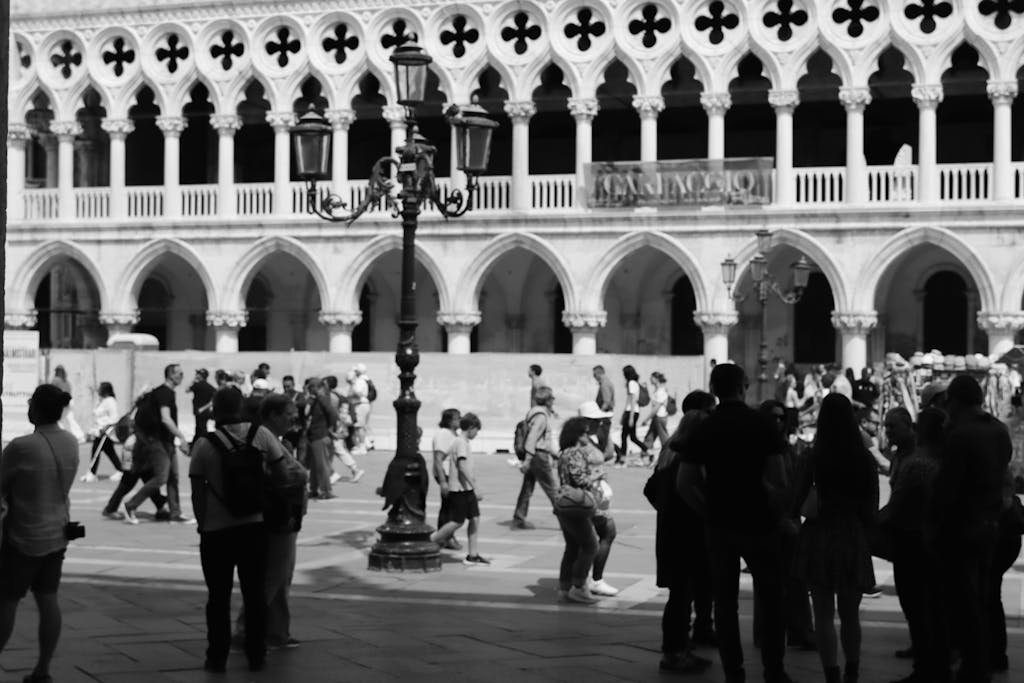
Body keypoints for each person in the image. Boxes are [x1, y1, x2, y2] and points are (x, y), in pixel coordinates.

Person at [678, 363, 795, 683]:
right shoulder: (762, 424)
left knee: (725, 603)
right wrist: (770, 503)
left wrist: (707, 511)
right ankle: (774, 670)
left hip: (719, 524)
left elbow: (684, 482)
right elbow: (780, 478)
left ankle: (735, 673)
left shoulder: (705, 427)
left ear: (714, 389)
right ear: (744, 386)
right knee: (771, 598)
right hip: (759, 521)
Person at [929, 375, 1012, 683]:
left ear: (958, 402)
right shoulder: (999, 431)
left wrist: (934, 525)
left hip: (962, 527)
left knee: (962, 602)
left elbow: (948, 490)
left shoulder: (961, 435)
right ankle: (984, 661)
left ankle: (973, 667)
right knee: (983, 597)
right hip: (991, 525)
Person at [189, 388, 278, 673]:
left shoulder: (204, 444)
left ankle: (216, 656)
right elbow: (283, 470)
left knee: (218, 597)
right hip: (254, 526)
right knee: (255, 595)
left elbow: (197, 492)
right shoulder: (261, 435)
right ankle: (256, 654)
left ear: (215, 409)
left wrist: (203, 524)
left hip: (217, 532)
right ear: (241, 407)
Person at [794, 393, 879, 683]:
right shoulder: (864, 459)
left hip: (819, 534)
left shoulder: (813, 456)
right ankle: (852, 670)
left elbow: (796, 499)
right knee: (850, 614)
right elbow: (871, 506)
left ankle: (831, 673)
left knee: (823, 613)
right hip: (852, 534)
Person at [0, 384, 80, 683]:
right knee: (49, 601)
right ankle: (43, 668)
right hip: (57, 534)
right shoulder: (71, 442)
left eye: (30, 401)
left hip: (22, 536)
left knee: (7, 601)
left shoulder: (22, 447)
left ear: (38, 408)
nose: (27, 406)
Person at [232, 394, 308, 652]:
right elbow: (286, 476)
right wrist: (301, 475)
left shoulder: (274, 439)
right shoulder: (264, 438)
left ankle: (276, 631)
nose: (293, 419)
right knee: (271, 577)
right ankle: (245, 629)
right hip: (278, 517)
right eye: (289, 414)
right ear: (273, 415)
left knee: (281, 577)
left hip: (287, 516)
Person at [652, 390, 716, 673]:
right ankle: (675, 652)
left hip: (671, 530)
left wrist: (667, 510)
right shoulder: (687, 456)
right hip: (687, 533)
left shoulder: (669, 449)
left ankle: (680, 646)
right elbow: (689, 490)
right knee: (681, 595)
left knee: (681, 593)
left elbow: (651, 488)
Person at [886, 408, 944, 683]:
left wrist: (874, 524)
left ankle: (926, 667)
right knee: (927, 606)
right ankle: (932, 661)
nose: (888, 431)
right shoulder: (938, 459)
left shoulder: (918, 463)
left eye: (893, 426)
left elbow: (897, 503)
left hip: (914, 538)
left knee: (917, 605)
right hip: (930, 538)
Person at [756, 400, 816, 652]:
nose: (778, 422)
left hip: (789, 519)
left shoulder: (788, 448)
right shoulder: (758, 449)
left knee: (796, 580)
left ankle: (799, 631)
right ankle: (769, 633)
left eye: (782, 417)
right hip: (767, 521)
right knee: (769, 583)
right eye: (773, 417)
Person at [123, 364, 193, 524]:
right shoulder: (164, 394)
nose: (182, 376)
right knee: (161, 477)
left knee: (173, 477)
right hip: (157, 441)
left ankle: (175, 514)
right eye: (180, 373)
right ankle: (130, 505)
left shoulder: (166, 393)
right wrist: (182, 437)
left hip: (167, 440)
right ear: (170, 375)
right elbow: (165, 418)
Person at [552, 416, 602, 604]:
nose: (587, 436)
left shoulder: (563, 453)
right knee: (591, 545)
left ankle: (565, 587)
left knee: (572, 547)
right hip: (577, 504)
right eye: (585, 433)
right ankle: (579, 586)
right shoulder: (575, 453)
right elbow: (580, 479)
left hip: (564, 502)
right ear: (577, 435)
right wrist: (596, 475)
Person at [429, 413, 489, 565]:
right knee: (457, 521)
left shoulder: (459, 441)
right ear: (470, 428)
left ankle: (473, 554)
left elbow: (444, 458)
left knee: (474, 518)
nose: (477, 433)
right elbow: (462, 466)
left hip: (464, 488)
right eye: (477, 430)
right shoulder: (461, 442)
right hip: (461, 489)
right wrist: (475, 487)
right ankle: (429, 540)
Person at [512, 386, 559, 530]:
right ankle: (567, 518)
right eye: (552, 398)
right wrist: (527, 460)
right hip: (538, 456)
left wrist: (553, 453)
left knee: (527, 487)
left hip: (534, 454)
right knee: (552, 489)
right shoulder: (541, 416)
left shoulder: (533, 413)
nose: (553, 401)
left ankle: (519, 517)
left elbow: (538, 439)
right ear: (547, 400)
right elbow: (533, 438)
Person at [432, 409, 462, 551]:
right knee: (450, 507)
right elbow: (438, 458)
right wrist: (443, 481)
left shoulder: (452, 434)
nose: (459, 421)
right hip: (446, 474)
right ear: (449, 420)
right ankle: (445, 537)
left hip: (452, 474)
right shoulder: (444, 434)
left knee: (448, 506)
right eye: (457, 418)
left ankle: (444, 536)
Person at [303, 378, 338, 500]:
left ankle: (325, 490)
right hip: (313, 436)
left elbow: (333, 414)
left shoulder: (323, 399)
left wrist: (331, 428)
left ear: (315, 388)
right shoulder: (313, 401)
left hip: (320, 435)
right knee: (314, 465)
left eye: (310, 388)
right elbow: (306, 413)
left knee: (321, 465)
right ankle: (314, 489)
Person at [83, 381, 124, 482]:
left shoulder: (110, 401)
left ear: (105, 390)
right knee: (110, 452)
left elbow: (115, 418)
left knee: (96, 451)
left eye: (100, 388)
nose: (98, 390)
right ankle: (121, 470)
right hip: (99, 431)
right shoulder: (103, 400)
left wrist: (105, 428)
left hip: (105, 432)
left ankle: (92, 473)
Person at [616, 364, 648, 466]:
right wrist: (623, 415)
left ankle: (623, 459)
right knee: (632, 437)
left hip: (632, 412)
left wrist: (630, 417)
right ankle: (647, 450)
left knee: (624, 436)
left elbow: (633, 399)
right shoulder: (634, 383)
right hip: (632, 412)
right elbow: (629, 400)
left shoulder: (631, 383)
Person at [49, 365, 85, 443]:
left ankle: (77, 436)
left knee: (60, 420)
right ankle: (79, 436)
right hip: (69, 401)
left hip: (62, 402)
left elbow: (51, 391)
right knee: (68, 419)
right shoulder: (66, 381)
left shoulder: (55, 380)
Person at [641, 371, 670, 462]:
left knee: (664, 440)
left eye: (652, 378)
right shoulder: (658, 391)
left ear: (656, 379)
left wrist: (646, 419)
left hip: (659, 417)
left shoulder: (661, 391)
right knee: (649, 437)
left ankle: (668, 458)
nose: (650, 379)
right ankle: (646, 458)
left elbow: (656, 408)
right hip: (657, 417)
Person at [592, 365, 615, 459]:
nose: (594, 377)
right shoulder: (607, 382)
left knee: (603, 436)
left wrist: (598, 414)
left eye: (594, 375)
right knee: (606, 435)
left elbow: (606, 402)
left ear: (598, 374)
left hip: (604, 414)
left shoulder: (604, 384)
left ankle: (605, 455)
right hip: (606, 414)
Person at [348, 366, 372, 456]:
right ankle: (363, 444)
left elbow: (358, 393)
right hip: (361, 404)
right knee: (359, 426)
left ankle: (362, 447)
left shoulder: (359, 381)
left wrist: (352, 385)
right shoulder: (362, 381)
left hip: (360, 405)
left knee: (359, 427)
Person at [188, 369, 215, 442]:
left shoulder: (197, 385)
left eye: (197, 374)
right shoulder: (211, 387)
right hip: (206, 411)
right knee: (200, 428)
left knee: (200, 429)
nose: (196, 375)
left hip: (199, 411)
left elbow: (187, 390)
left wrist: (193, 380)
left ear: (201, 376)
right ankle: (197, 443)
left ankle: (202, 444)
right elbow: (213, 400)